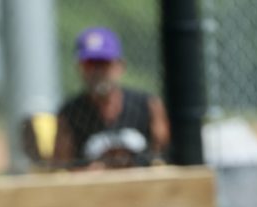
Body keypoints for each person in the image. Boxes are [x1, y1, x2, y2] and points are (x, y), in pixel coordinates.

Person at [51, 26, 170, 170]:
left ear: (120, 66)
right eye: (90, 64)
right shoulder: (70, 114)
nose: (97, 71)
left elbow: (165, 156)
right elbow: (61, 167)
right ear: (80, 68)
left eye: (103, 63)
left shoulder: (147, 105)